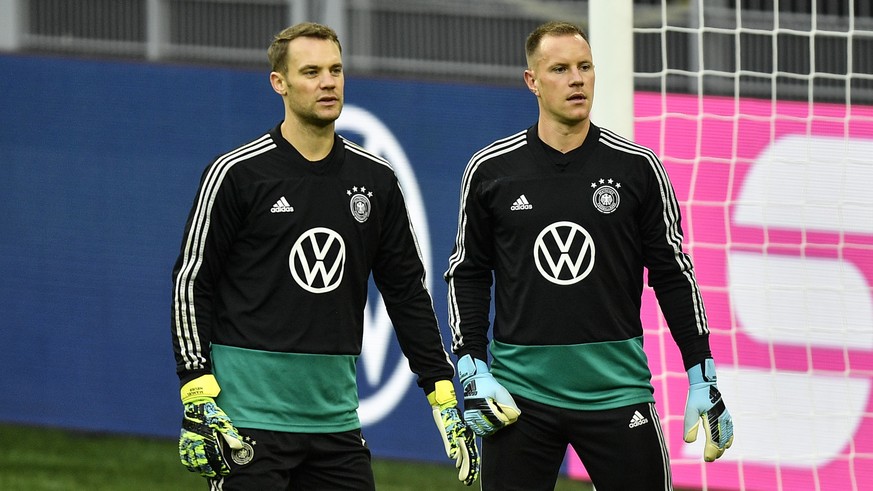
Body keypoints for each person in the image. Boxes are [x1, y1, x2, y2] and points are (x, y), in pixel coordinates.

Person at [171, 22, 478, 490]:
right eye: (311, 71)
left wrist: (440, 388)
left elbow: (406, 293)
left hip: (335, 427)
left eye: (335, 70)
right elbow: (192, 281)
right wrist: (196, 390)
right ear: (280, 83)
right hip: (247, 425)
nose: (328, 82)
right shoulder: (236, 174)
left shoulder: (376, 180)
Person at [444, 20, 734, 491]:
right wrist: (472, 365)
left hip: (618, 393)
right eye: (559, 69)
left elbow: (672, 273)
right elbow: (468, 274)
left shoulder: (638, 169)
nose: (577, 79)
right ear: (532, 81)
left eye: (585, 67)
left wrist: (702, 373)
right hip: (521, 398)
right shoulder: (491, 171)